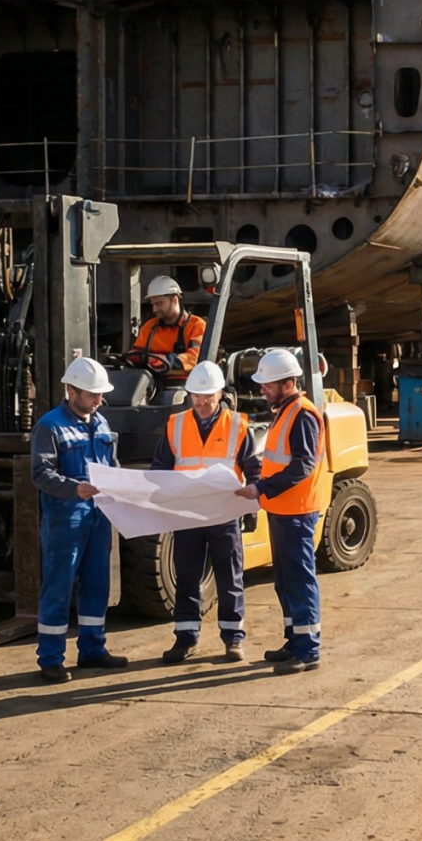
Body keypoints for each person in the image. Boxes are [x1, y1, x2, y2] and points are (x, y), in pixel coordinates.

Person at [152, 360, 259, 664]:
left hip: (224, 516)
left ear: (220, 394)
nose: (201, 402)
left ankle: (233, 639)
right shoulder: (176, 424)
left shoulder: (237, 425)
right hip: (188, 516)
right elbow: (161, 466)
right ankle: (185, 639)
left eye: (207, 396)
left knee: (230, 578)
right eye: (195, 396)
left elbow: (253, 469)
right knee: (186, 579)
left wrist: (251, 507)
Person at [30, 356, 125, 684]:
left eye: (100, 395)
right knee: (59, 586)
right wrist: (75, 489)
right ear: (71, 390)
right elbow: (41, 474)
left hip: (99, 515)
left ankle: (92, 649)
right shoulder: (50, 425)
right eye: (92, 394)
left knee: (97, 584)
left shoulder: (100, 423)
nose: (99, 401)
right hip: (66, 517)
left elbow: (111, 463)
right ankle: (51, 658)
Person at [240, 348, 327, 673]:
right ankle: (295, 640)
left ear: (287, 383)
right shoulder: (287, 411)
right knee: (286, 580)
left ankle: (307, 651)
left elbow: (301, 466)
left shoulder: (302, 414)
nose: (262, 389)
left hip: (297, 512)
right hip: (282, 510)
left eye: (268, 384)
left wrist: (262, 488)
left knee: (299, 580)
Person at [129, 275, 207, 378]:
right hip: (151, 383)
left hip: (184, 385)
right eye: (153, 304)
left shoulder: (196, 325)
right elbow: (135, 354)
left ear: (174, 300)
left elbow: (194, 358)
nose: (154, 309)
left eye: (159, 303)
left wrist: (166, 360)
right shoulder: (150, 326)